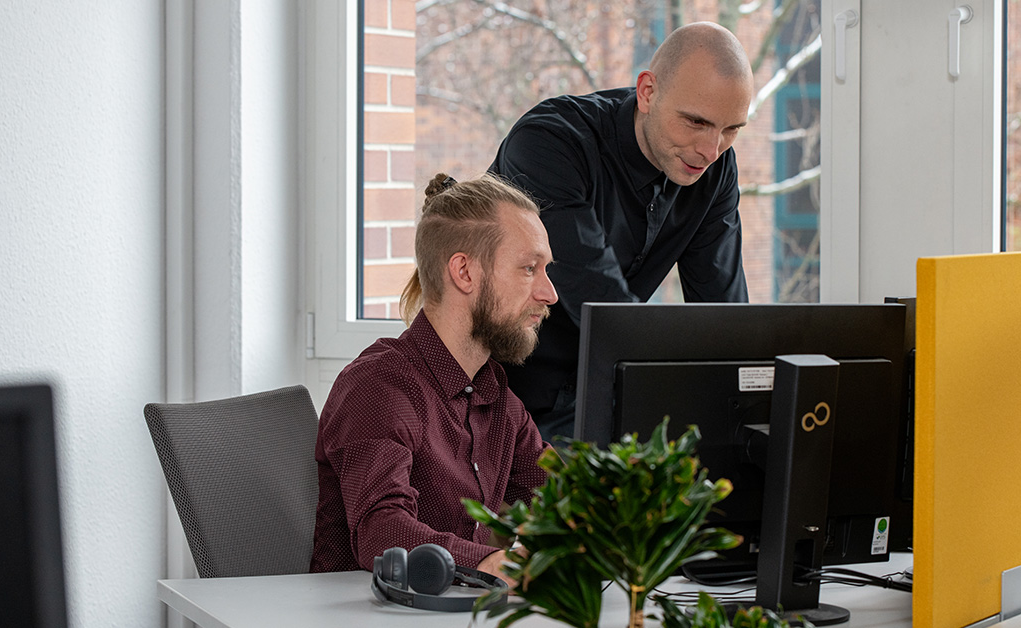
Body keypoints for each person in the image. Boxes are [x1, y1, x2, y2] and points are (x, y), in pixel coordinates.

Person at [488, 22, 755, 442]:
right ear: (648, 92)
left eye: (732, 129)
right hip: (493, 401)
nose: (711, 149)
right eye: (696, 122)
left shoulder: (716, 168)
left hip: (596, 400)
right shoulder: (549, 143)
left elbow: (723, 317)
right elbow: (601, 304)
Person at [310, 173, 557, 583]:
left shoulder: (495, 397)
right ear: (464, 272)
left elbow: (558, 498)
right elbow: (383, 531)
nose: (550, 293)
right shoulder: (378, 386)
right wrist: (486, 563)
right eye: (529, 268)